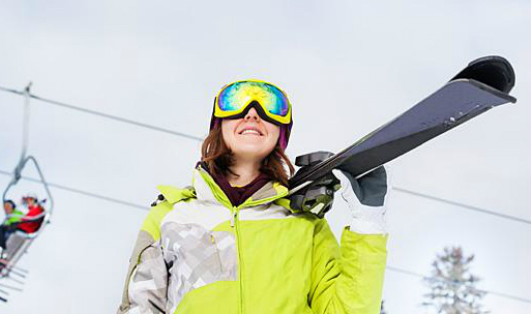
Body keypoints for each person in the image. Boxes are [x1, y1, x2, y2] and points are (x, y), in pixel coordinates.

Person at [118, 79, 389, 313]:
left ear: (279, 133)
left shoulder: (304, 226)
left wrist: (368, 221)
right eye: (235, 102)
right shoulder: (170, 216)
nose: (252, 114)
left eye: (270, 107)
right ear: (218, 126)